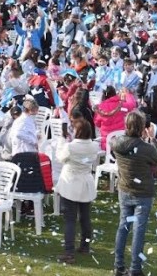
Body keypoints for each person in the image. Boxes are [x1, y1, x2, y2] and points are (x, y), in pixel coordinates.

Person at [111, 111, 157, 276]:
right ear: (142, 128)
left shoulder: (116, 143)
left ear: (126, 126)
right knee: (138, 231)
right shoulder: (146, 148)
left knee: (123, 227)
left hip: (125, 190)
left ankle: (118, 266)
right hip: (143, 193)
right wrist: (153, 139)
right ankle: (135, 269)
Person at [55, 113, 100, 264]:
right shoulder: (94, 146)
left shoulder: (71, 147)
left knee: (70, 220)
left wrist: (62, 140)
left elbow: (60, 157)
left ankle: (69, 251)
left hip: (70, 183)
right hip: (86, 182)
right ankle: (85, 246)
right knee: (85, 218)